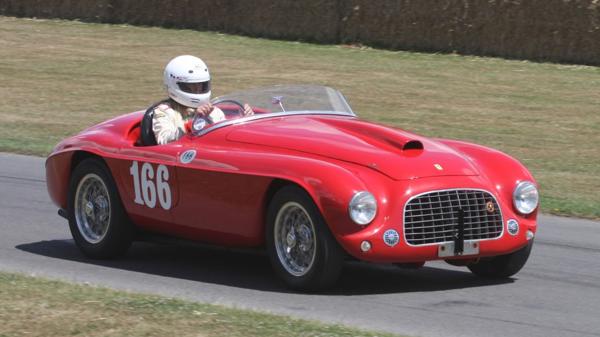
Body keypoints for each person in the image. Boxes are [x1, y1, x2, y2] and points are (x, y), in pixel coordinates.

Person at [151, 55, 254, 145]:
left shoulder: (213, 111)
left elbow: (225, 136)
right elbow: (164, 140)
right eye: (192, 86)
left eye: (201, 85)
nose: (198, 90)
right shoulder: (164, 111)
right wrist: (192, 124)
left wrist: (244, 122)